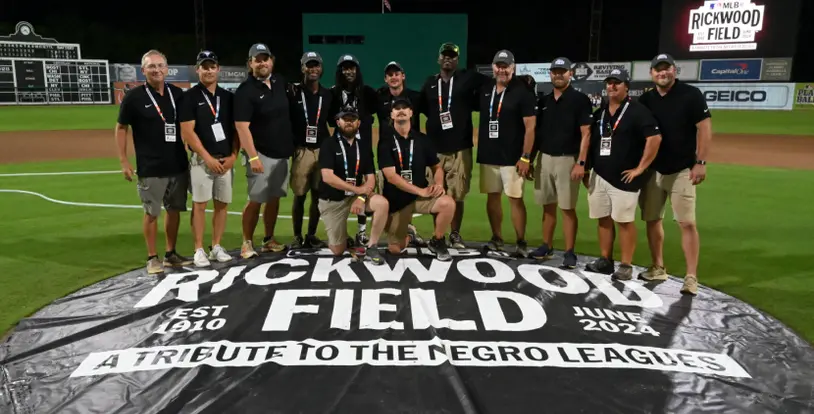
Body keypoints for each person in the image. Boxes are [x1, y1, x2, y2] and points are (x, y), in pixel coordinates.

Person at [637, 53, 712, 295]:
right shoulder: (646, 99)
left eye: (666, 69)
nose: (663, 73)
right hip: (652, 170)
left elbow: (704, 128)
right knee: (652, 219)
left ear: (674, 71)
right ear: (651, 73)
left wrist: (700, 161)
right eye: (658, 69)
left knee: (687, 222)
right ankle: (658, 267)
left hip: (682, 169)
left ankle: (691, 277)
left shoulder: (690, 95)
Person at [115, 49, 192, 274]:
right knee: (152, 213)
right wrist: (124, 161)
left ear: (167, 69)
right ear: (143, 70)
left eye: (160, 65)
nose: (156, 70)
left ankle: (171, 253)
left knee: (175, 210)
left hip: (178, 163)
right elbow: (121, 128)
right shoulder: (134, 97)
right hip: (150, 167)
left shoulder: (178, 94)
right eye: (151, 66)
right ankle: (152, 257)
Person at [584, 68, 662, 280]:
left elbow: (654, 138)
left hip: (624, 178)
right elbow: (591, 141)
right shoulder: (600, 113)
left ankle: (626, 265)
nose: (612, 86)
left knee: (624, 221)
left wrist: (640, 168)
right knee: (603, 219)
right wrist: (585, 167)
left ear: (626, 86)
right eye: (609, 82)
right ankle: (605, 260)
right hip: (599, 174)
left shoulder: (637, 111)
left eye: (617, 83)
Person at [417, 42, 490, 249]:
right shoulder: (430, 83)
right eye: (445, 55)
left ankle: (455, 234)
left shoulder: (468, 78)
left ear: (457, 60)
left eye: (452, 56)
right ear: (439, 59)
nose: (448, 58)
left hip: (460, 148)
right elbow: (419, 107)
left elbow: (493, 84)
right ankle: (437, 234)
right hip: (435, 150)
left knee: (457, 194)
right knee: (437, 192)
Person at [528, 57, 593, 269]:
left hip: (568, 159)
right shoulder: (544, 102)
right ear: (550, 74)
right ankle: (546, 245)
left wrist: (581, 163)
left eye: (562, 71)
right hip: (544, 159)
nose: (558, 74)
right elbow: (537, 135)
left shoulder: (580, 99)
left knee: (567, 208)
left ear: (570, 74)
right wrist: (529, 159)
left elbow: (586, 134)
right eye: (555, 71)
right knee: (547, 207)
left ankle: (569, 251)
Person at [233, 43, 295, 258]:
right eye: (257, 59)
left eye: (265, 58)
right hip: (261, 153)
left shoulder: (279, 82)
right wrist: (252, 157)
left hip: (282, 153)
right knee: (256, 199)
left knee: (274, 198)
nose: (262, 63)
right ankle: (246, 242)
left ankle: (268, 239)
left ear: (272, 61)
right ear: (250, 64)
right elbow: (242, 126)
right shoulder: (245, 91)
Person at [475, 49, 536, 256]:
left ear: (513, 68)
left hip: (513, 158)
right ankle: (497, 238)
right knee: (492, 198)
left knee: (515, 199)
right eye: (498, 66)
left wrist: (526, 156)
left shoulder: (523, 91)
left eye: (506, 66)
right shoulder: (485, 88)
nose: (502, 70)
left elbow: (530, 127)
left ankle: (520, 241)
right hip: (489, 155)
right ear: (493, 67)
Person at [179, 50, 237, 267]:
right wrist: (207, 157)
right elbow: (187, 132)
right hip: (202, 161)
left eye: (212, 66)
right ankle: (198, 249)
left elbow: (236, 130)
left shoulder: (228, 98)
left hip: (226, 161)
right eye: (205, 66)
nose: (209, 70)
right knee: (200, 205)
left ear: (218, 69)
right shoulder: (189, 97)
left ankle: (216, 245)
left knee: (222, 205)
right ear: (198, 70)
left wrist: (233, 156)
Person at [378, 96, 455, 261]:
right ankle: (409, 236)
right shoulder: (385, 142)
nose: (401, 111)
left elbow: (437, 167)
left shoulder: (422, 139)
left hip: (421, 197)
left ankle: (438, 240)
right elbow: (391, 177)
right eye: (396, 109)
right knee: (395, 249)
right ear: (391, 115)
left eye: (404, 108)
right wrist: (420, 190)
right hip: (397, 199)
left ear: (411, 113)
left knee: (448, 203)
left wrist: (439, 184)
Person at [318, 105, 389, 264]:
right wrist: (357, 189)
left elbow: (371, 178)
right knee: (337, 250)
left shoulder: (363, 147)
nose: (349, 122)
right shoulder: (328, 144)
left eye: (352, 119)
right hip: (333, 200)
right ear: (338, 122)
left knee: (382, 203)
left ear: (358, 123)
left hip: (356, 196)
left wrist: (362, 197)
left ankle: (372, 245)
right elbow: (327, 177)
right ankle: (345, 239)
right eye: (345, 119)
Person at [328, 54, 379, 248]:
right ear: (340, 71)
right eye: (344, 68)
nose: (348, 71)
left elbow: (379, 112)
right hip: (341, 149)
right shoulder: (333, 93)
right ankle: (338, 230)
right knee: (340, 188)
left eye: (352, 67)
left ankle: (361, 232)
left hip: (363, 149)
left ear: (357, 70)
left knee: (364, 187)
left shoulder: (367, 93)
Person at [375, 60, 425, 247]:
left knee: (410, 191)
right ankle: (396, 230)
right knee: (388, 192)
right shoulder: (379, 97)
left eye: (397, 73)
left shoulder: (415, 97)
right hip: (388, 153)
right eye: (390, 74)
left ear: (403, 76)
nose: (394, 77)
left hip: (411, 152)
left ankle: (408, 228)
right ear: (386, 79)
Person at [286, 51, 332, 249]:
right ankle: (297, 236)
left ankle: (311, 234)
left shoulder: (328, 94)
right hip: (302, 150)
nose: (313, 69)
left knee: (318, 195)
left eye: (316, 65)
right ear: (302, 68)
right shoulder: (293, 92)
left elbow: (334, 121)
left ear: (321, 68)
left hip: (322, 150)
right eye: (308, 65)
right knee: (300, 195)